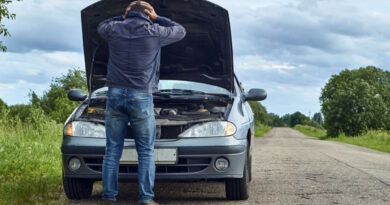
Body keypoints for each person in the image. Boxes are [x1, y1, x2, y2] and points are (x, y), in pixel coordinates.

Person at [97, 1, 186, 204]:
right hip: (141, 96)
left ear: (128, 13)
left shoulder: (113, 28)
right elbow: (180, 31)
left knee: (112, 150)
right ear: (147, 14)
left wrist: (122, 17)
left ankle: (109, 197)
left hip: (115, 94)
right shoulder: (155, 31)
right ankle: (146, 198)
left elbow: (100, 25)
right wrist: (158, 18)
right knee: (145, 150)